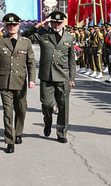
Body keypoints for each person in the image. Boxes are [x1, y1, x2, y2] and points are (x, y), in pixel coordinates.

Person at [0, 13, 36, 153]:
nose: (12, 27)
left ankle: (18, 132)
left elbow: (31, 62)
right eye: (9, 25)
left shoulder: (25, 42)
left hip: (20, 81)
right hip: (4, 82)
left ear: (19, 26)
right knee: (7, 112)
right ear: (5, 26)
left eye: (14, 25)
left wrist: (32, 80)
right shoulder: (0, 41)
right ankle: (9, 140)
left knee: (21, 110)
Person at [22, 10, 76, 143]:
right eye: (53, 22)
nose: (56, 24)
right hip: (47, 76)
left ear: (63, 23)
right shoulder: (43, 34)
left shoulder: (69, 37)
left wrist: (72, 78)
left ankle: (61, 132)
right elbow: (25, 36)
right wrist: (40, 24)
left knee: (63, 107)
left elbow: (71, 60)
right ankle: (47, 122)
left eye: (58, 22)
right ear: (50, 22)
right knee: (47, 104)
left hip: (63, 76)